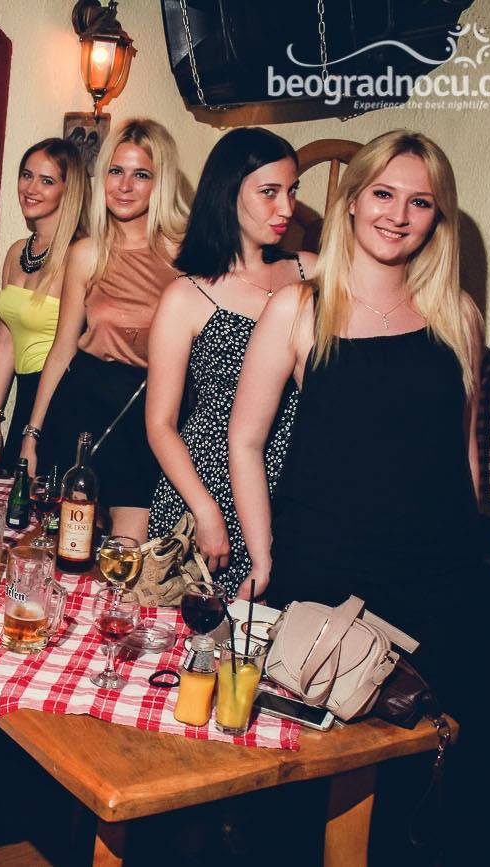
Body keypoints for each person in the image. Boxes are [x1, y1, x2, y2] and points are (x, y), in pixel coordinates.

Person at [229, 129, 483, 685]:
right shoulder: (299, 308)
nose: (398, 216)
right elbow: (245, 441)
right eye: (383, 194)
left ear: (437, 219)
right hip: (325, 566)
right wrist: (263, 556)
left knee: (425, 731)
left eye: (420, 202)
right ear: (352, 201)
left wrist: (470, 553)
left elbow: (463, 446)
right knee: (311, 729)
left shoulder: (458, 314)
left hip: (437, 571)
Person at [145, 128, 315, 598]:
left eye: (292, 191)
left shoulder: (311, 272)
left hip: (295, 479)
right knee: (203, 631)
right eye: (269, 192)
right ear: (228, 192)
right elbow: (160, 424)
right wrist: (205, 510)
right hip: (210, 482)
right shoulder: (188, 295)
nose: (287, 208)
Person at [21, 118, 190, 541]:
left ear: (161, 182)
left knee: (128, 555)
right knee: (67, 550)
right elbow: (62, 349)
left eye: (141, 175)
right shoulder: (87, 253)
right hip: (81, 406)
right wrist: (32, 435)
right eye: (116, 171)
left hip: (147, 414)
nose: (125, 186)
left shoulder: (186, 257)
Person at [0, 138, 88, 465]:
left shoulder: (79, 255)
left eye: (47, 181)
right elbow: (5, 341)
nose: (31, 188)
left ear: (68, 191)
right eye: (27, 175)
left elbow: (67, 347)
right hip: (27, 397)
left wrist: (33, 430)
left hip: (62, 401)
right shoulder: (17, 252)